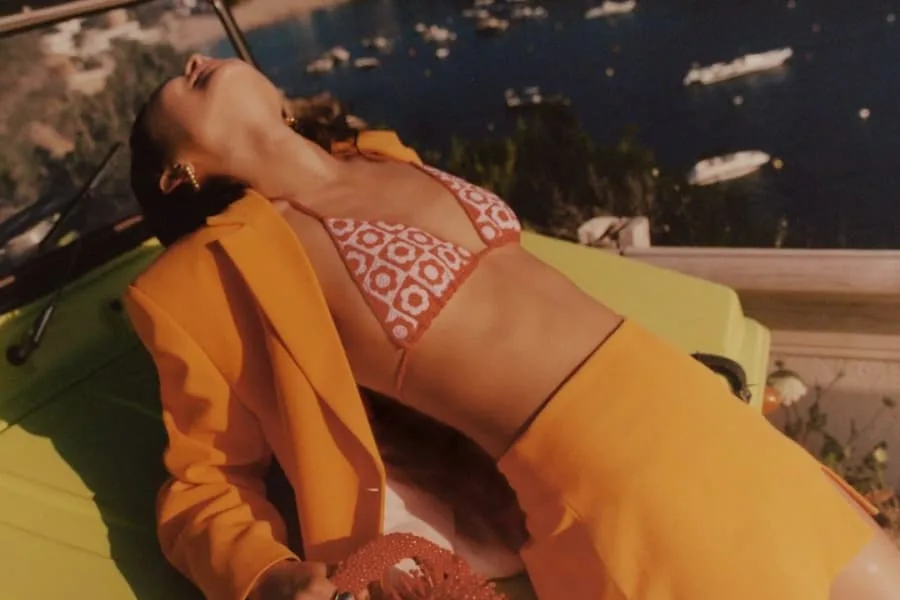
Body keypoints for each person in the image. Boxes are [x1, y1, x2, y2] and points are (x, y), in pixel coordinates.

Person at [125, 54, 900, 600]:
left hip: (696, 412)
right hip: (617, 485)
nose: (195, 58)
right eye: (178, 82)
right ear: (174, 173)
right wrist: (262, 577)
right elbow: (204, 482)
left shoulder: (382, 156)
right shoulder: (212, 273)